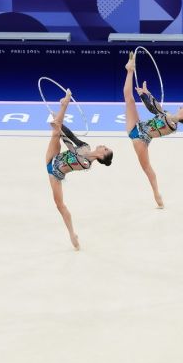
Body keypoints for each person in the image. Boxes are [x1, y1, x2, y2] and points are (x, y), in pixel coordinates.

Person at [123, 52, 183, 208]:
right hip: (138, 125)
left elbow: (155, 110)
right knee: (129, 98)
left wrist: (146, 96)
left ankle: (157, 195)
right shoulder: (170, 117)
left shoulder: (171, 123)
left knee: (148, 170)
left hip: (140, 138)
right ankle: (130, 69)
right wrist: (146, 94)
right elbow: (157, 109)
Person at [45, 89, 113, 250]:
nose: (103, 146)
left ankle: (72, 234)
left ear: (102, 157)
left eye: (105, 149)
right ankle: (63, 105)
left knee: (60, 205)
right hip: (53, 156)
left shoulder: (85, 164)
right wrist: (61, 126)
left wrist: (59, 124)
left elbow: (70, 145)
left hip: (54, 173)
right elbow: (72, 137)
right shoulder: (86, 146)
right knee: (56, 130)